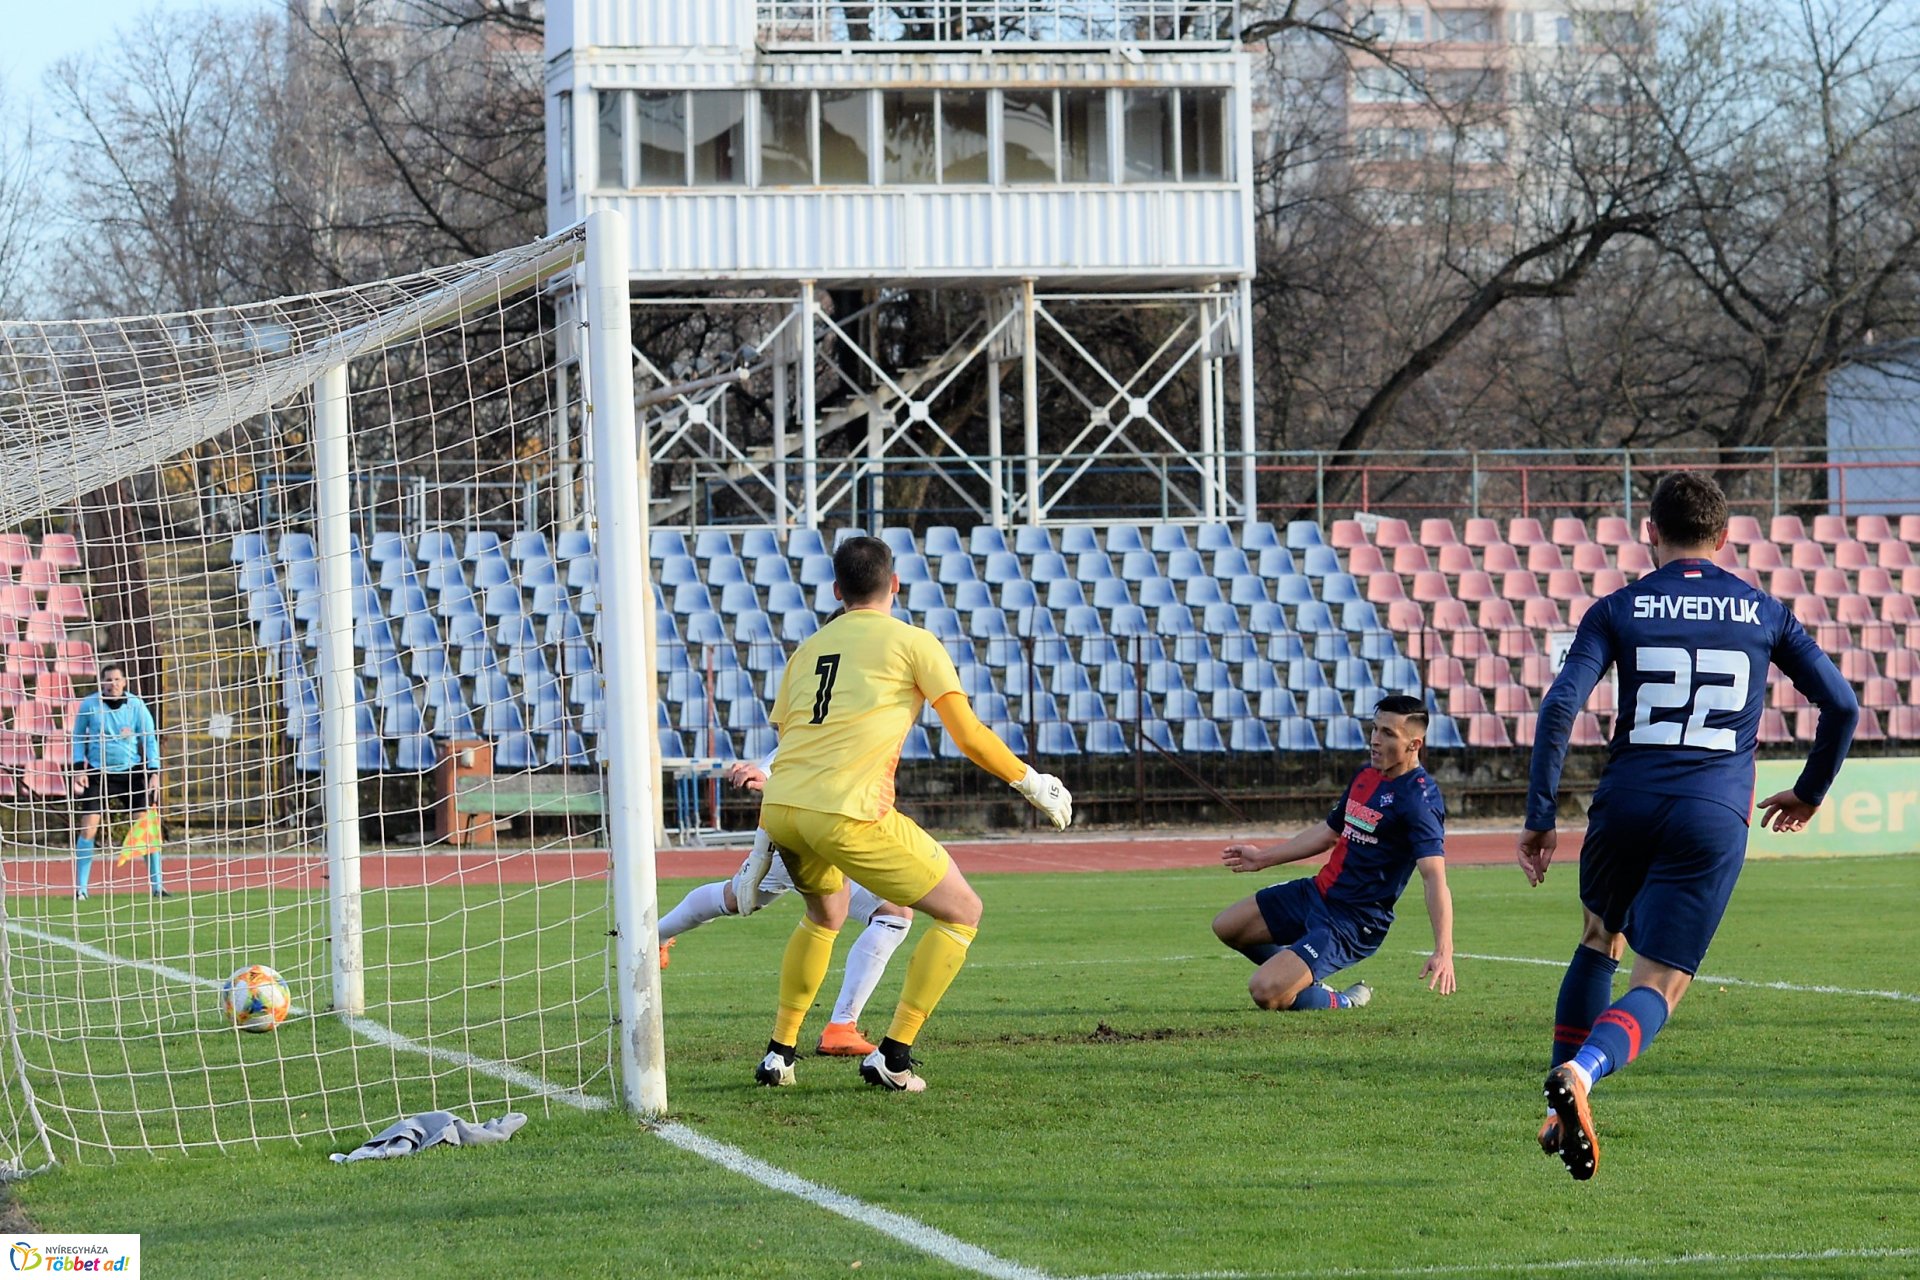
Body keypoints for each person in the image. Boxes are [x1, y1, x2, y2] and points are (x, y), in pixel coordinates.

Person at [1519, 472, 1858, 1182]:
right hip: (1711, 811)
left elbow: (1558, 711)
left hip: (1628, 799)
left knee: (1597, 936)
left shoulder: (1618, 607)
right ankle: (1580, 1075)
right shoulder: (1764, 611)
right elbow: (1843, 707)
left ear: (1650, 532)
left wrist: (1541, 817)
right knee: (1662, 983)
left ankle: (1558, 1108)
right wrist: (1810, 791)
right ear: (1726, 537)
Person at [753, 535, 1072, 1092]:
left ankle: (780, 1055)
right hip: (847, 811)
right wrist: (1032, 782)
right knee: (962, 910)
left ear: (836, 591)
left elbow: (790, 740)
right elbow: (968, 736)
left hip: (782, 808)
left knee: (825, 917)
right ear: (894, 584)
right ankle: (892, 1056)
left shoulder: (807, 650)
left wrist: (765, 834)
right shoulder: (912, 641)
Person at [655, 754, 915, 1058]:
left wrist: (764, 772)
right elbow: (805, 740)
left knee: (738, 898)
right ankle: (835, 1028)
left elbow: (805, 738)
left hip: (823, 829)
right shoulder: (853, 713)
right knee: (885, 915)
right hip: (814, 831)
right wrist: (764, 773)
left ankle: (654, 936)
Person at [1211, 694, 1455, 1012]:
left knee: (1266, 991)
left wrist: (1443, 950)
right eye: (1374, 729)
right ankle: (1300, 975)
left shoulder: (1419, 800)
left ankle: (1344, 1000)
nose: (1375, 740)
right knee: (1227, 926)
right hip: (1318, 893)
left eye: (1388, 734)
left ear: (1414, 745)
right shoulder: (1366, 776)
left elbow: (1434, 877)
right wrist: (1262, 858)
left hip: (1353, 921)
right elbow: (1328, 833)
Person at [69, 663, 165, 899]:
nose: (112, 684)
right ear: (101, 683)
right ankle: (81, 889)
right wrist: (77, 769)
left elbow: (149, 739)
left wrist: (154, 772)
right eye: (108, 680)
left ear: (124, 682)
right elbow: (78, 738)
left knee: (146, 828)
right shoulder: (89, 705)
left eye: (116, 680)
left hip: (131, 773)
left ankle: (157, 886)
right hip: (98, 772)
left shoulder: (136, 705)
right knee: (88, 828)